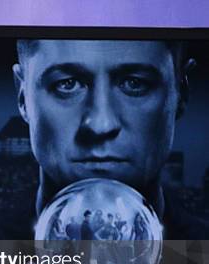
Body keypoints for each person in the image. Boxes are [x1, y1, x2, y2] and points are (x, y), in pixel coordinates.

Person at [12, 39, 208, 241]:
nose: (101, 124)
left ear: (181, 92)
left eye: (135, 83)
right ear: (22, 95)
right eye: (67, 84)